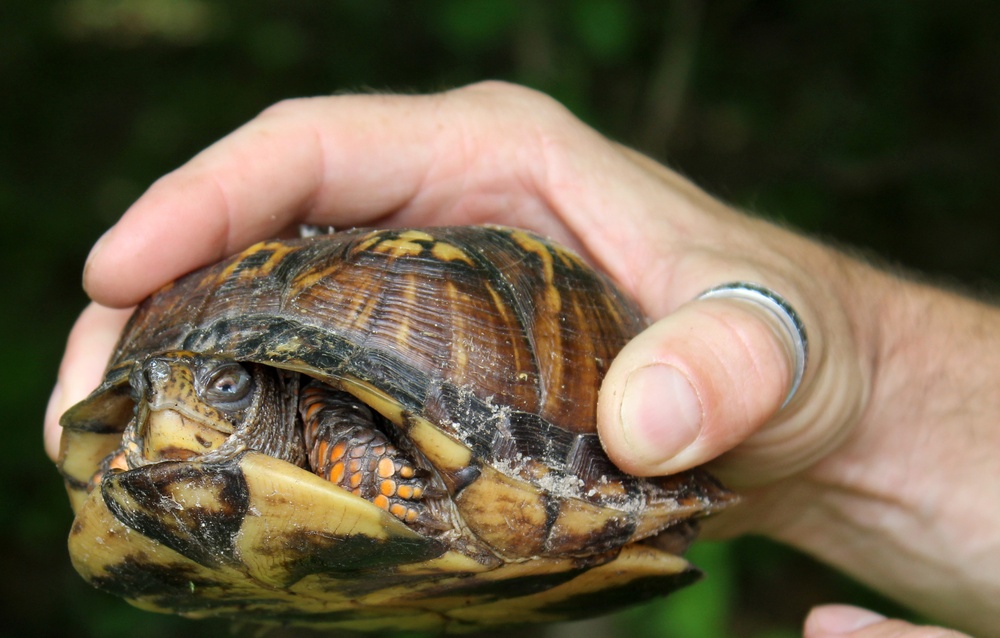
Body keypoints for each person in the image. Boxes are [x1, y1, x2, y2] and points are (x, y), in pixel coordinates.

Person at [44, 82, 994, 638]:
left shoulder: (334, 426)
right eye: (168, 392)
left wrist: (863, 374)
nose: (174, 406)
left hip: (454, 478)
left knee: (352, 426)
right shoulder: (158, 430)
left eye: (216, 389)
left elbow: (352, 429)